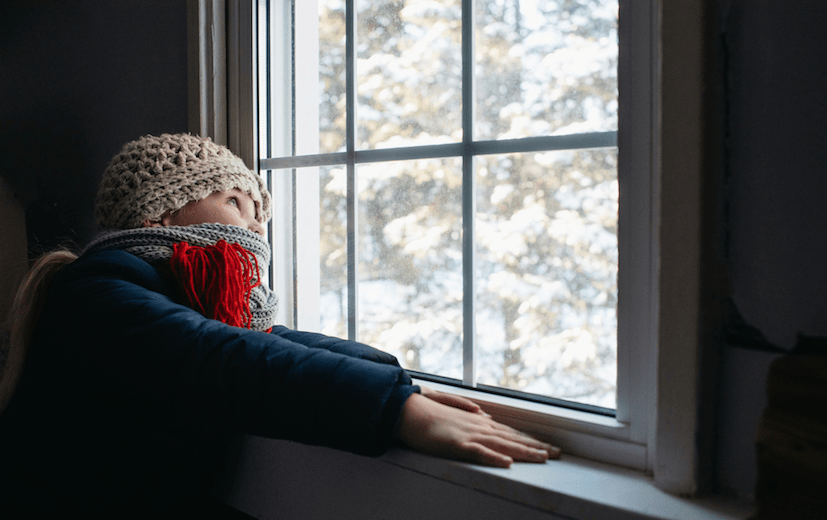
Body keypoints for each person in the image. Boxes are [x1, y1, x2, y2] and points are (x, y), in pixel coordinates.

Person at [0, 133, 559, 516]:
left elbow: (268, 342)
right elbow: (222, 358)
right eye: (237, 202)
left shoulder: (179, 300)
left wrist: (399, 384)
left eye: (259, 212)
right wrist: (396, 409)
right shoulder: (98, 296)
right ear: (164, 214)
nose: (256, 226)